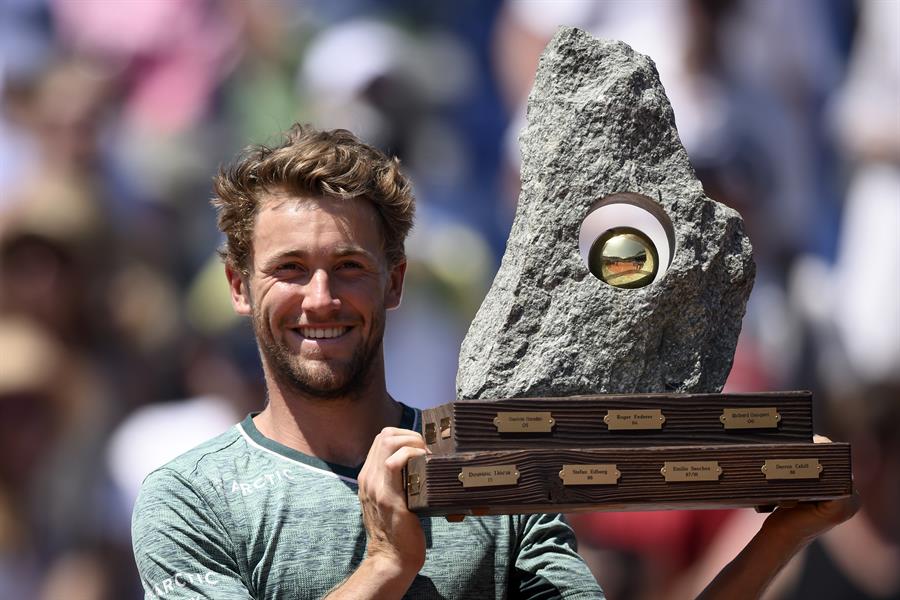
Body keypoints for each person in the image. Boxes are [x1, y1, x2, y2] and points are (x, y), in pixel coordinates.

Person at [131, 124, 857, 599]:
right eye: (289, 268)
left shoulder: (495, 478)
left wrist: (778, 538)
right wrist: (388, 564)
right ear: (237, 285)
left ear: (394, 281)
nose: (321, 297)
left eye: (349, 265)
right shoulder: (192, 497)